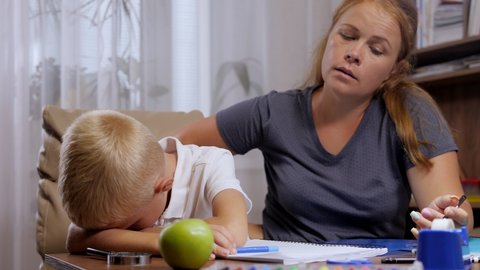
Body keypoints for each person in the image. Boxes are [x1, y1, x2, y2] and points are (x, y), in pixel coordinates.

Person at [178, 0, 473, 243]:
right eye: (347, 35)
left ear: (394, 70)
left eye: (376, 49)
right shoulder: (274, 111)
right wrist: (226, 210)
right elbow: (178, 149)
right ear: (330, 35)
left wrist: (448, 219)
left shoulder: (412, 112)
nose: (354, 54)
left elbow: (457, 214)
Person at [58, 110, 252, 258]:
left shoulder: (211, 163)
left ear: (164, 186)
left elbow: (234, 229)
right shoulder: (133, 170)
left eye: (133, 224)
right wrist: (160, 241)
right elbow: (75, 238)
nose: (134, 231)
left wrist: (122, 238)